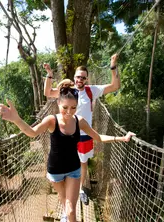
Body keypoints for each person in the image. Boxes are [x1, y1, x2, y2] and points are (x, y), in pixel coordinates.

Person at [0, 83, 134, 222]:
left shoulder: (80, 122)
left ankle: (67, 216)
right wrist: (16, 119)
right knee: (64, 203)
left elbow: (98, 137)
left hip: (74, 169)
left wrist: (121, 138)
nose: (69, 112)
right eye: (65, 107)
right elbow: (32, 133)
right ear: (58, 103)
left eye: (73, 107)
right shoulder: (51, 120)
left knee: (72, 211)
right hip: (55, 171)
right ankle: (65, 216)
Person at [43, 54, 120, 205]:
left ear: (87, 79)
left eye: (83, 78)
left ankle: (80, 189)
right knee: (66, 160)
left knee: (82, 163)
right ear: (74, 77)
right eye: (78, 77)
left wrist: (113, 65)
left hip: (84, 134)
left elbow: (115, 86)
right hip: (67, 134)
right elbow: (48, 92)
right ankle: (67, 189)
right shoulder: (68, 91)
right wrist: (49, 75)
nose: (80, 80)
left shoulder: (92, 91)